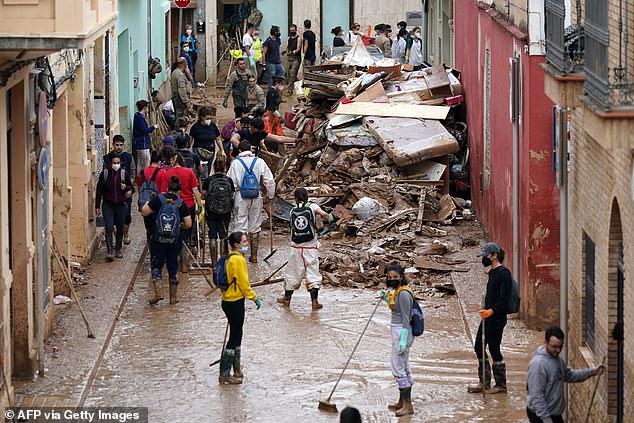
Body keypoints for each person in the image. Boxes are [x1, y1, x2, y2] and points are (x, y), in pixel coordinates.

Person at [526, 326, 605, 423]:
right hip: (541, 416)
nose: (558, 350)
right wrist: (546, 420)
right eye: (554, 347)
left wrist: (592, 372)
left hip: (554, 414)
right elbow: (536, 396)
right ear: (545, 343)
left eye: (560, 346)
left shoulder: (557, 360)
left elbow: (569, 375)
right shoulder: (538, 365)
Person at [277, 187, 333, 310]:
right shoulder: (312, 207)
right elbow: (324, 215)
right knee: (313, 274)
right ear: (307, 197)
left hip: (296, 247)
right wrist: (330, 218)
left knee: (292, 273)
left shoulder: (293, 211)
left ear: (296, 199)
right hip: (311, 247)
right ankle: (314, 302)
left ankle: (286, 299)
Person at [467, 242, 512, 394]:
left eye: (486, 256)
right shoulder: (492, 273)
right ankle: (484, 382)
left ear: (494, 255)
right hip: (488, 317)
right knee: (479, 347)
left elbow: (504, 300)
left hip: (497, 318)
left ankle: (500, 385)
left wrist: (491, 311)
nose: (484, 259)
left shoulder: (504, 274)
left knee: (493, 348)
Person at [218, 231, 261, 384]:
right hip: (235, 302)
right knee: (235, 336)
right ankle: (225, 373)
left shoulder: (229, 257)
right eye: (244, 242)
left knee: (238, 333)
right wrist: (254, 298)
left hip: (228, 300)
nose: (246, 244)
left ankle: (236, 369)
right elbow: (244, 284)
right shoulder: (238, 260)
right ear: (236, 244)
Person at [141, 175, 192, 305]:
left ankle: (158, 292)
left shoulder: (158, 199)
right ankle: (173, 297)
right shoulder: (181, 203)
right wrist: (179, 226)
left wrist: (148, 201)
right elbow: (188, 224)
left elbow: (144, 212)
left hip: (158, 239)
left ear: (167, 189)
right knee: (172, 266)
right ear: (179, 191)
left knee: (156, 265)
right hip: (174, 241)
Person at [227, 141, 275, 263]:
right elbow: (269, 180)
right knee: (255, 225)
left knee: (241, 225)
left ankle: (241, 257)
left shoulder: (235, 163)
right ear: (251, 149)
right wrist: (270, 196)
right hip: (256, 196)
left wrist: (231, 198)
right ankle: (254, 257)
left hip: (240, 196)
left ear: (240, 151)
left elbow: (230, 183)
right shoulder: (259, 162)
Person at [378, 265, 415, 416]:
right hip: (397, 330)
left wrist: (403, 341)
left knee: (398, 368)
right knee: (403, 366)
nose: (392, 280)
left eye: (395, 277)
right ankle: (402, 401)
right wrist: (386, 298)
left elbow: (406, 318)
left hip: (402, 331)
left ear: (401, 277)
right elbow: (396, 308)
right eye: (389, 277)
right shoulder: (397, 292)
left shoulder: (404, 294)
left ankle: (408, 405)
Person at [165, 152, 202, 272]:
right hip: (188, 206)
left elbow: (163, 192)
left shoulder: (167, 173)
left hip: (172, 206)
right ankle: (185, 265)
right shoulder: (189, 172)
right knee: (186, 235)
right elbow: (195, 190)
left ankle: (173, 263)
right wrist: (200, 205)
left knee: (173, 234)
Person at [96, 155, 133, 261]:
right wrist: (97, 205)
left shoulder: (123, 174)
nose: (116, 165)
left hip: (121, 205)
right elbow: (99, 190)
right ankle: (110, 251)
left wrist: (126, 188)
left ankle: (118, 249)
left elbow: (130, 187)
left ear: (120, 163)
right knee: (109, 227)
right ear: (111, 164)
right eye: (114, 162)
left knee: (120, 228)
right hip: (108, 205)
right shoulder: (105, 174)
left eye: (118, 163)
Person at [104, 135, 135, 245]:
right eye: (117, 145)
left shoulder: (128, 157)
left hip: (125, 192)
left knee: (126, 216)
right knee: (112, 217)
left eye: (121, 145)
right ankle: (115, 238)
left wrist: (129, 187)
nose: (119, 147)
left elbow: (132, 173)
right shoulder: (107, 158)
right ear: (113, 145)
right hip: (111, 194)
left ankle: (125, 234)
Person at [202, 159, 235, 265]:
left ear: (214, 167)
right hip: (226, 212)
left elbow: (203, 195)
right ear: (224, 167)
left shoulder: (208, 181)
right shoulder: (229, 180)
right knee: (224, 235)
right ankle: (223, 262)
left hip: (211, 211)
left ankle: (213, 263)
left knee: (212, 235)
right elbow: (232, 195)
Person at [136, 151, 167, 241]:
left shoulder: (142, 172)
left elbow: (139, 188)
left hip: (144, 203)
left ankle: (149, 241)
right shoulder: (162, 173)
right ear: (159, 162)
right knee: (157, 226)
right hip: (157, 204)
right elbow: (163, 191)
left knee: (148, 226)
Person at [132, 100, 157, 172]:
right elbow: (145, 131)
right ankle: (146, 180)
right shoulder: (140, 118)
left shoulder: (136, 115)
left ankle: (140, 179)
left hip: (139, 144)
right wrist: (153, 127)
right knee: (146, 164)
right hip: (142, 144)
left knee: (140, 164)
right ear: (145, 108)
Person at [283, 24, 301, 90]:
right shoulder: (289, 38)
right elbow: (286, 46)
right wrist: (285, 51)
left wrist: (292, 52)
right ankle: (298, 84)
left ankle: (289, 87)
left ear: (296, 30)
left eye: (293, 30)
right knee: (289, 73)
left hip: (296, 58)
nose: (292, 31)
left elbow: (298, 48)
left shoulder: (299, 38)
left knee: (293, 73)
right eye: (291, 30)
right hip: (289, 58)